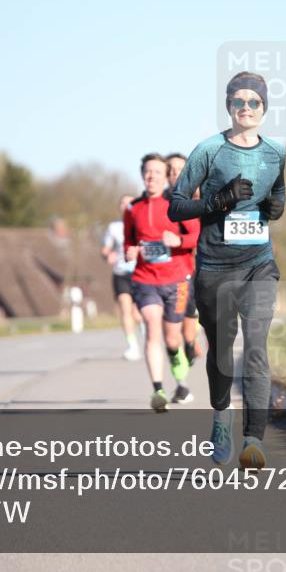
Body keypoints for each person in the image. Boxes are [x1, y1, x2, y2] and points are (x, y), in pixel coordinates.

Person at [168, 71, 286, 469]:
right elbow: (176, 206)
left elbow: (279, 197)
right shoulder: (209, 150)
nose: (246, 108)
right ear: (228, 106)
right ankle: (221, 418)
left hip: (259, 265)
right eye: (239, 101)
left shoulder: (276, 152)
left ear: (264, 108)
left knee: (256, 348)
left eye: (254, 102)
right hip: (215, 268)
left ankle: (253, 441)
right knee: (220, 352)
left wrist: (274, 208)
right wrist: (216, 201)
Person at [124, 153, 201, 412]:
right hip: (145, 279)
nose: (151, 176)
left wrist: (179, 241)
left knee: (172, 339)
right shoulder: (133, 208)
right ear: (142, 175)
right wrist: (129, 251)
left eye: (157, 172)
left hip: (177, 279)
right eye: (147, 171)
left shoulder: (179, 205)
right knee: (151, 328)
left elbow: (196, 236)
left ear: (165, 176)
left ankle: (181, 382)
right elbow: (128, 241)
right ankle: (158, 390)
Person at [166, 152, 204, 368]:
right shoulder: (158, 202)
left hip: (196, 268)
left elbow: (200, 236)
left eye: (180, 170)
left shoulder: (200, 199)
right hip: (167, 272)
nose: (175, 174)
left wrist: (179, 241)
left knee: (192, 319)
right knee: (171, 327)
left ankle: (191, 341)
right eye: (170, 170)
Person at [101, 194, 141, 361]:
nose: (126, 206)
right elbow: (105, 249)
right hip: (120, 273)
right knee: (125, 308)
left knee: (137, 313)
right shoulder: (114, 227)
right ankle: (133, 347)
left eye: (129, 203)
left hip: (140, 272)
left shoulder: (142, 222)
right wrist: (107, 255)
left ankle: (147, 336)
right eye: (123, 203)